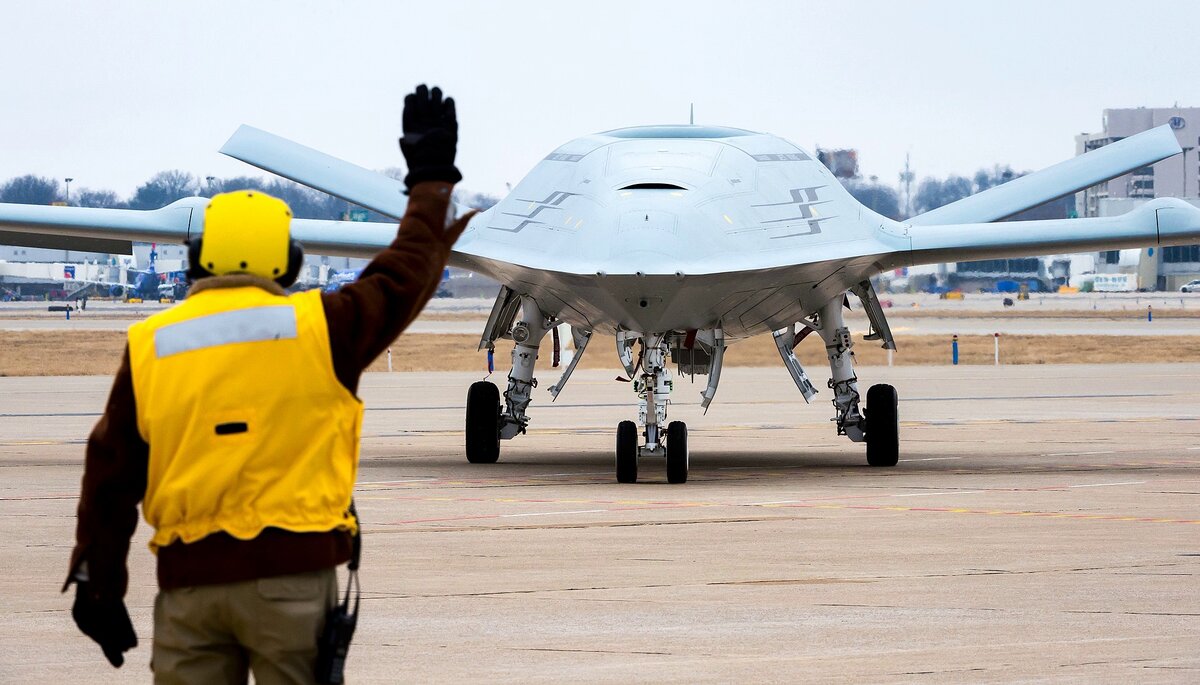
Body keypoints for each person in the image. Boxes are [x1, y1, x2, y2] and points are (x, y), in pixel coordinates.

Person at [64, 84, 470, 683]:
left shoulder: (151, 345)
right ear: (289, 263)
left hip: (190, 588)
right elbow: (405, 271)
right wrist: (430, 185)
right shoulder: (321, 328)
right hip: (293, 583)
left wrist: (98, 584)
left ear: (199, 259)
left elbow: (110, 477)